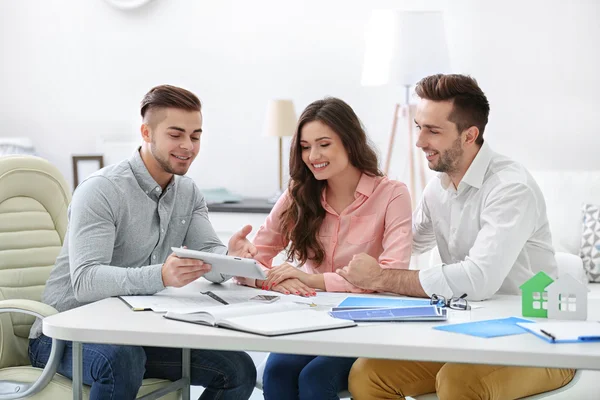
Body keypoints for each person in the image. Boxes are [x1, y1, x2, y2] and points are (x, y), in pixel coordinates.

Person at [337, 74, 575, 400]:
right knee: (367, 374)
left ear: (469, 135)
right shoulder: (439, 187)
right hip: (467, 334)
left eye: (433, 130)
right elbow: (403, 242)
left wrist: (382, 277)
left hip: (536, 337)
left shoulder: (510, 188)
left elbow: (478, 280)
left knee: (458, 379)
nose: (419, 141)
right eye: (418, 127)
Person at [28, 85, 257, 400]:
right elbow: (85, 280)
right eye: (175, 135)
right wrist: (161, 275)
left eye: (195, 136)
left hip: (133, 330)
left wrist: (230, 258)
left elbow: (208, 259)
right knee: (122, 359)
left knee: (237, 369)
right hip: (64, 333)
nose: (188, 146)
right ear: (146, 133)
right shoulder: (102, 190)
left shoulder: (188, 192)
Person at [235, 97, 413, 399]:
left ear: (349, 141)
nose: (312, 155)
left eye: (323, 144)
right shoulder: (298, 193)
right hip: (308, 320)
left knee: (316, 379)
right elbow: (254, 260)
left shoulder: (393, 195)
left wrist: (310, 280)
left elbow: (392, 276)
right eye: (305, 146)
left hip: (364, 325)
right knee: (276, 373)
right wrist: (259, 268)